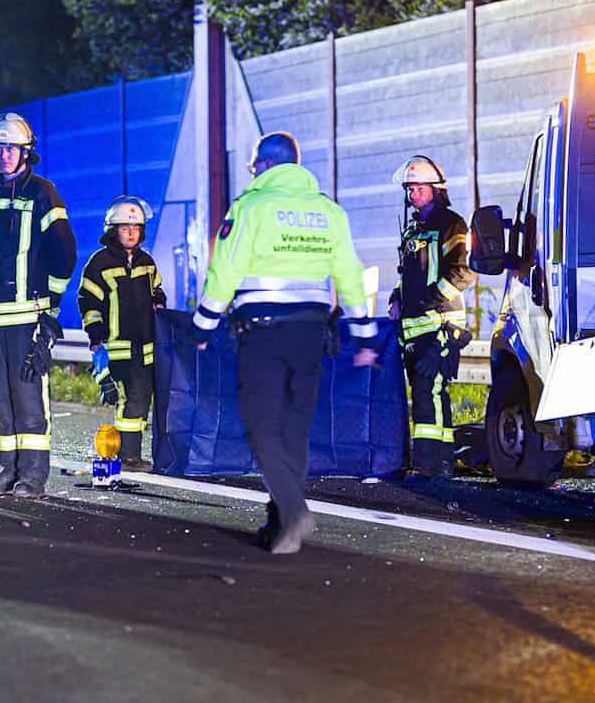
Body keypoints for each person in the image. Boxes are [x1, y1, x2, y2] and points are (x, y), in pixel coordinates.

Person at [192, 131, 376, 555]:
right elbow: (349, 274)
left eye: (255, 164)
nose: (253, 170)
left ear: (266, 164)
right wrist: (364, 335)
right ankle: (280, 528)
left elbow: (225, 271)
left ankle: (293, 511)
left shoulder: (251, 207)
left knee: (262, 429)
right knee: (294, 430)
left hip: (264, 333)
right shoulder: (328, 211)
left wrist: (202, 328)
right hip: (312, 334)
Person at [0, 112, 77, 498]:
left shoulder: (43, 193)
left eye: (12, 149)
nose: (5, 156)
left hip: (27, 315)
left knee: (28, 396)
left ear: (25, 153)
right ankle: (8, 470)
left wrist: (49, 310)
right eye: (0, 149)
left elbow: (64, 253)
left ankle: (32, 476)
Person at [386, 156, 475, 477]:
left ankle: (437, 464)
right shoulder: (413, 229)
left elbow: (464, 271)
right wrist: (397, 297)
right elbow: (409, 274)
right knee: (422, 395)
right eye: (410, 189)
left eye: (419, 188)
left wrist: (430, 299)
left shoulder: (452, 224)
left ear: (436, 190)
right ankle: (427, 462)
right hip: (413, 329)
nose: (413, 195)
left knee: (432, 393)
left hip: (440, 326)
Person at [77, 196, 165, 472]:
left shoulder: (146, 262)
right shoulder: (99, 263)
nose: (131, 233)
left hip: (147, 347)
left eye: (136, 228)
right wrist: (95, 337)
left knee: (143, 399)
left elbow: (157, 289)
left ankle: (130, 453)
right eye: (125, 228)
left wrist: (159, 299)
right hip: (117, 346)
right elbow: (89, 302)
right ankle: (127, 456)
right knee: (132, 399)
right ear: (112, 230)